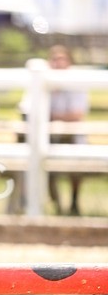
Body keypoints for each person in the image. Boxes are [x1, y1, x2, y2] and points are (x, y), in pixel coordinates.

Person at [47, 44, 90, 215]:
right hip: (50, 135)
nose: (58, 64)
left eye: (62, 59)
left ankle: (73, 202)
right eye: (55, 60)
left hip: (72, 135)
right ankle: (57, 206)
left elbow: (77, 114)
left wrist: (54, 115)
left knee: (77, 163)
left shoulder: (76, 83)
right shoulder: (44, 83)